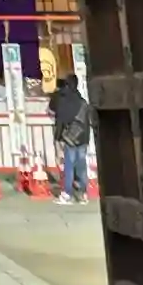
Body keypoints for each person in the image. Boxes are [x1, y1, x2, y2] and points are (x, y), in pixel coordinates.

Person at [51, 74, 92, 205]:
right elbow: (87, 122)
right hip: (83, 138)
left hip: (71, 139)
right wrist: (87, 139)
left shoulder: (64, 100)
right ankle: (83, 194)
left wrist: (57, 139)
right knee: (81, 166)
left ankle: (67, 194)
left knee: (69, 166)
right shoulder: (82, 101)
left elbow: (60, 121)